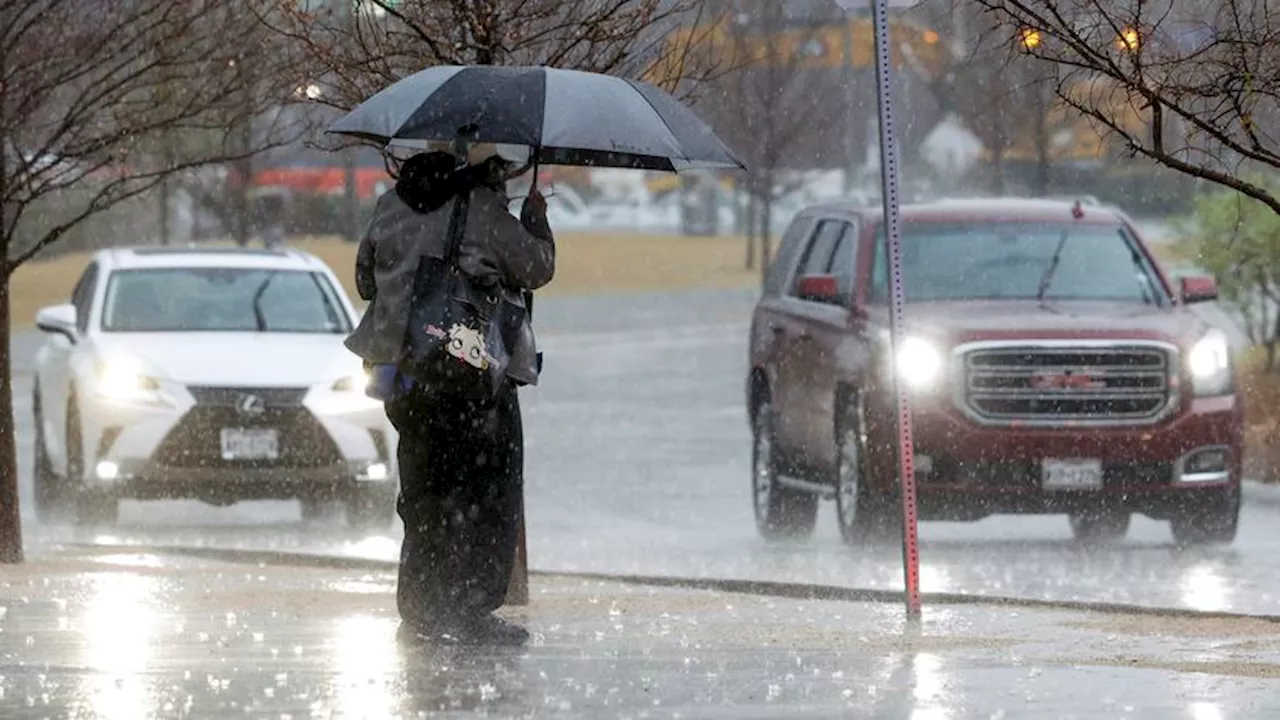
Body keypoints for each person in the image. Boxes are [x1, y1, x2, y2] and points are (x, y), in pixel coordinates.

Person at [345, 144, 553, 646]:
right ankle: (469, 609)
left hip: (405, 375)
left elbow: (365, 280)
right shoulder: (482, 210)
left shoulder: (390, 205)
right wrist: (536, 220)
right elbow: (536, 268)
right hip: (469, 374)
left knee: (424, 490)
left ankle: (421, 607)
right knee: (485, 491)